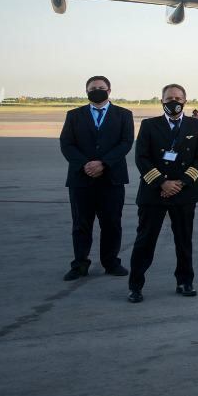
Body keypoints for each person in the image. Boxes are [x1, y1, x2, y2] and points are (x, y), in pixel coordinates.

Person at [126, 84, 198, 302]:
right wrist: (162, 183)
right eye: (169, 98)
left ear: (185, 101)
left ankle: (185, 281)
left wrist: (180, 183)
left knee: (184, 240)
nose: (174, 102)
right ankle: (135, 285)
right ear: (162, 101)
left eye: (178, 98)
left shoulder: (196, 126)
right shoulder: (149, 125)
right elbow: (141, 158)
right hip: (154, 193)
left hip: (184, 193)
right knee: (145, 240)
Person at [59, 76, 135, 281]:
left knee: (111, 223)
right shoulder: (74, 115)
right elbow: (66, 144)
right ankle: (80, 264)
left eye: (101, 88)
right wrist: (85, 164)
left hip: (112, 179)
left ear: (109, 91)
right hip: (81, 179)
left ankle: (111, 262)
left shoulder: (124, 115)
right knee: (81, 224)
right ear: (86, 92)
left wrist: (103, 163)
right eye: (93, 88)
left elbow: (126, 142)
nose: (97, 91)